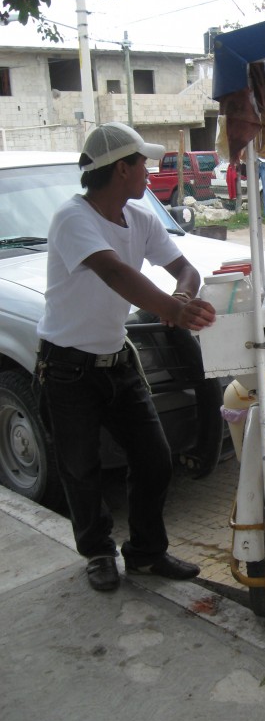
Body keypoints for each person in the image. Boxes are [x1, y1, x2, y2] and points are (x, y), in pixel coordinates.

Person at [35, 122, 217, 593]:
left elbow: (185, 268)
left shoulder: (140, 218)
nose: (150, 170)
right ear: (121, 169)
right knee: (80, 467)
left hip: (117, 360)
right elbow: (115, 273)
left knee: (154, 458)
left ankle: (145, 554)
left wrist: (183, 295)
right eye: (143, 162)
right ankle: (98, 552)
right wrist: (173, 309)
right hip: (67, 367)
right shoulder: (73, 219)